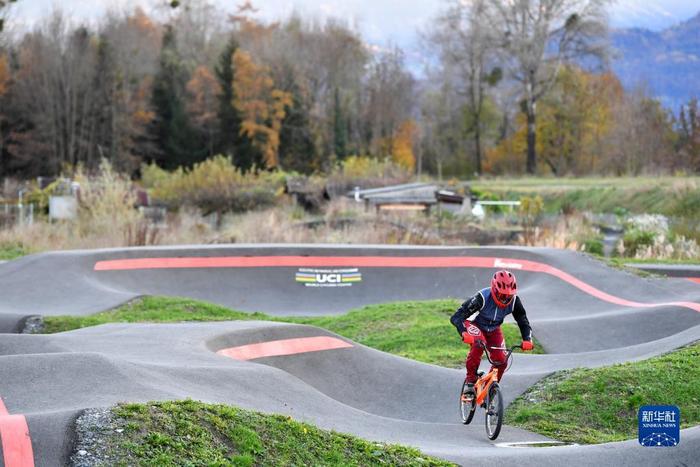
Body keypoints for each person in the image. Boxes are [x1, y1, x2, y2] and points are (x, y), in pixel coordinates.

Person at [450, 270, 534, 398]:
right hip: (475, 324)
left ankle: (490, 389)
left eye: (509, 296)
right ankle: (470, 382)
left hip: (493, 329)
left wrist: (527, 339)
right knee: (479, 344)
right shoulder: (482, 297)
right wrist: (463, 332)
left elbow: (522, 320)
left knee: (502, 360)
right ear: (494, 290)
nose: (506, 299)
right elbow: (457, 317)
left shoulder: (515, 301)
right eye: (502, 295)